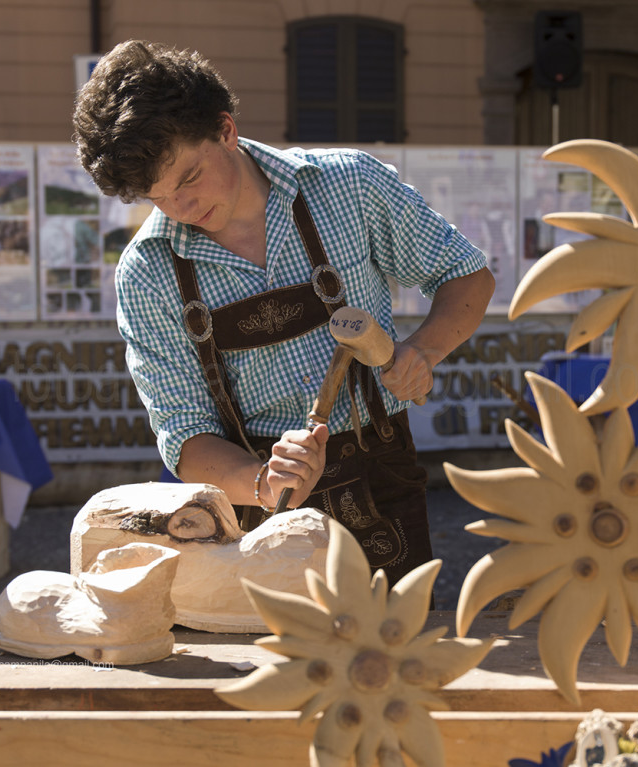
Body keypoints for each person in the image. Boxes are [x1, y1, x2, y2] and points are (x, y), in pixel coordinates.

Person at [72, 40, 494, 585]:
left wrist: (424, 350)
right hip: (252, 510)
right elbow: (185, 435)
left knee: (393, 656)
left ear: (225, 129)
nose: (183, 210)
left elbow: (466, 274)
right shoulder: (148, 272)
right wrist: (264, 482)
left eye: (190, 178)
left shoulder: (348, 186)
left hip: (380, 474)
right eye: (158, 198)